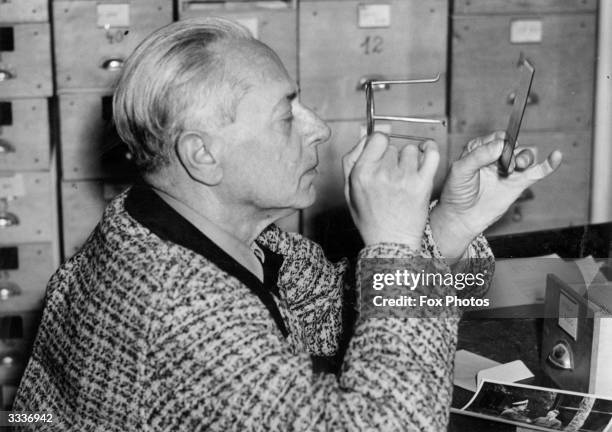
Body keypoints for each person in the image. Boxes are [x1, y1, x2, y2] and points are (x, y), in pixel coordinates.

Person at [13, 17, 562, 431]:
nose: (319, 129)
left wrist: (450, 225)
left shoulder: (205, 226)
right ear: (202, 155)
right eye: (287, 115)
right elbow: (393, 424)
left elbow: (330, 314)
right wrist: (394, 245)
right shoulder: (175, 310)